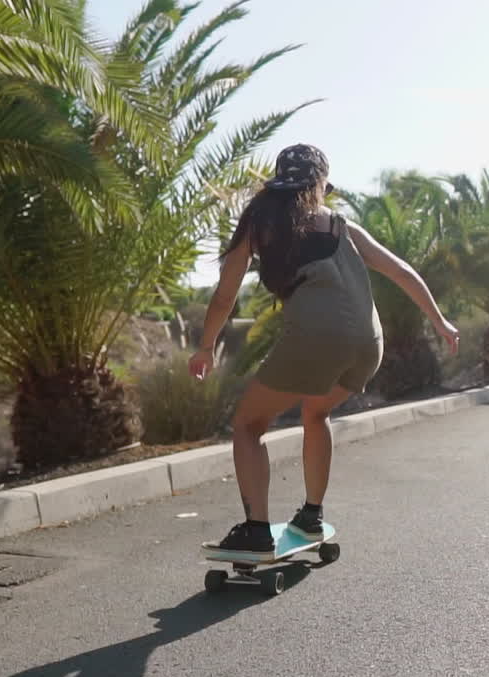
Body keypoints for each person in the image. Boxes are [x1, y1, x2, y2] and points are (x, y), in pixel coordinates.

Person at [190, 144, 458, 557]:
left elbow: (225, 296)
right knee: (317, 412)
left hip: (316, 339)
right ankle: (311, 514)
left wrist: (206, 346)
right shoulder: (342, 227)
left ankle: (256, 530)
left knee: (249, 425)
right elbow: (401, 271)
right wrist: (439, 321)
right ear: (318, 186)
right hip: (369, 344)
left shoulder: (260, 223)